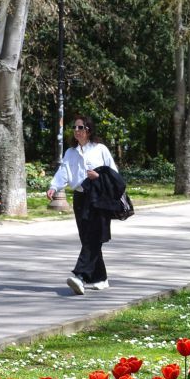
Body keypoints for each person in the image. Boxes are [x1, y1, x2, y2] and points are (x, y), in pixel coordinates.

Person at [47, 115, 118, 295]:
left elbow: (114, 173)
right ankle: (100, 278)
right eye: (75, 127)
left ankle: (80, 276)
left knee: (92, 237)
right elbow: (64, 171)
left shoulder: (100, 149)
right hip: (80, 198)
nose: (77, 131)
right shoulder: (70, 152)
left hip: (98, 198)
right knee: (87, 237)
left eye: (80, 127)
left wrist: (99, 176)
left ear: (89, 130)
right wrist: (54, 186)